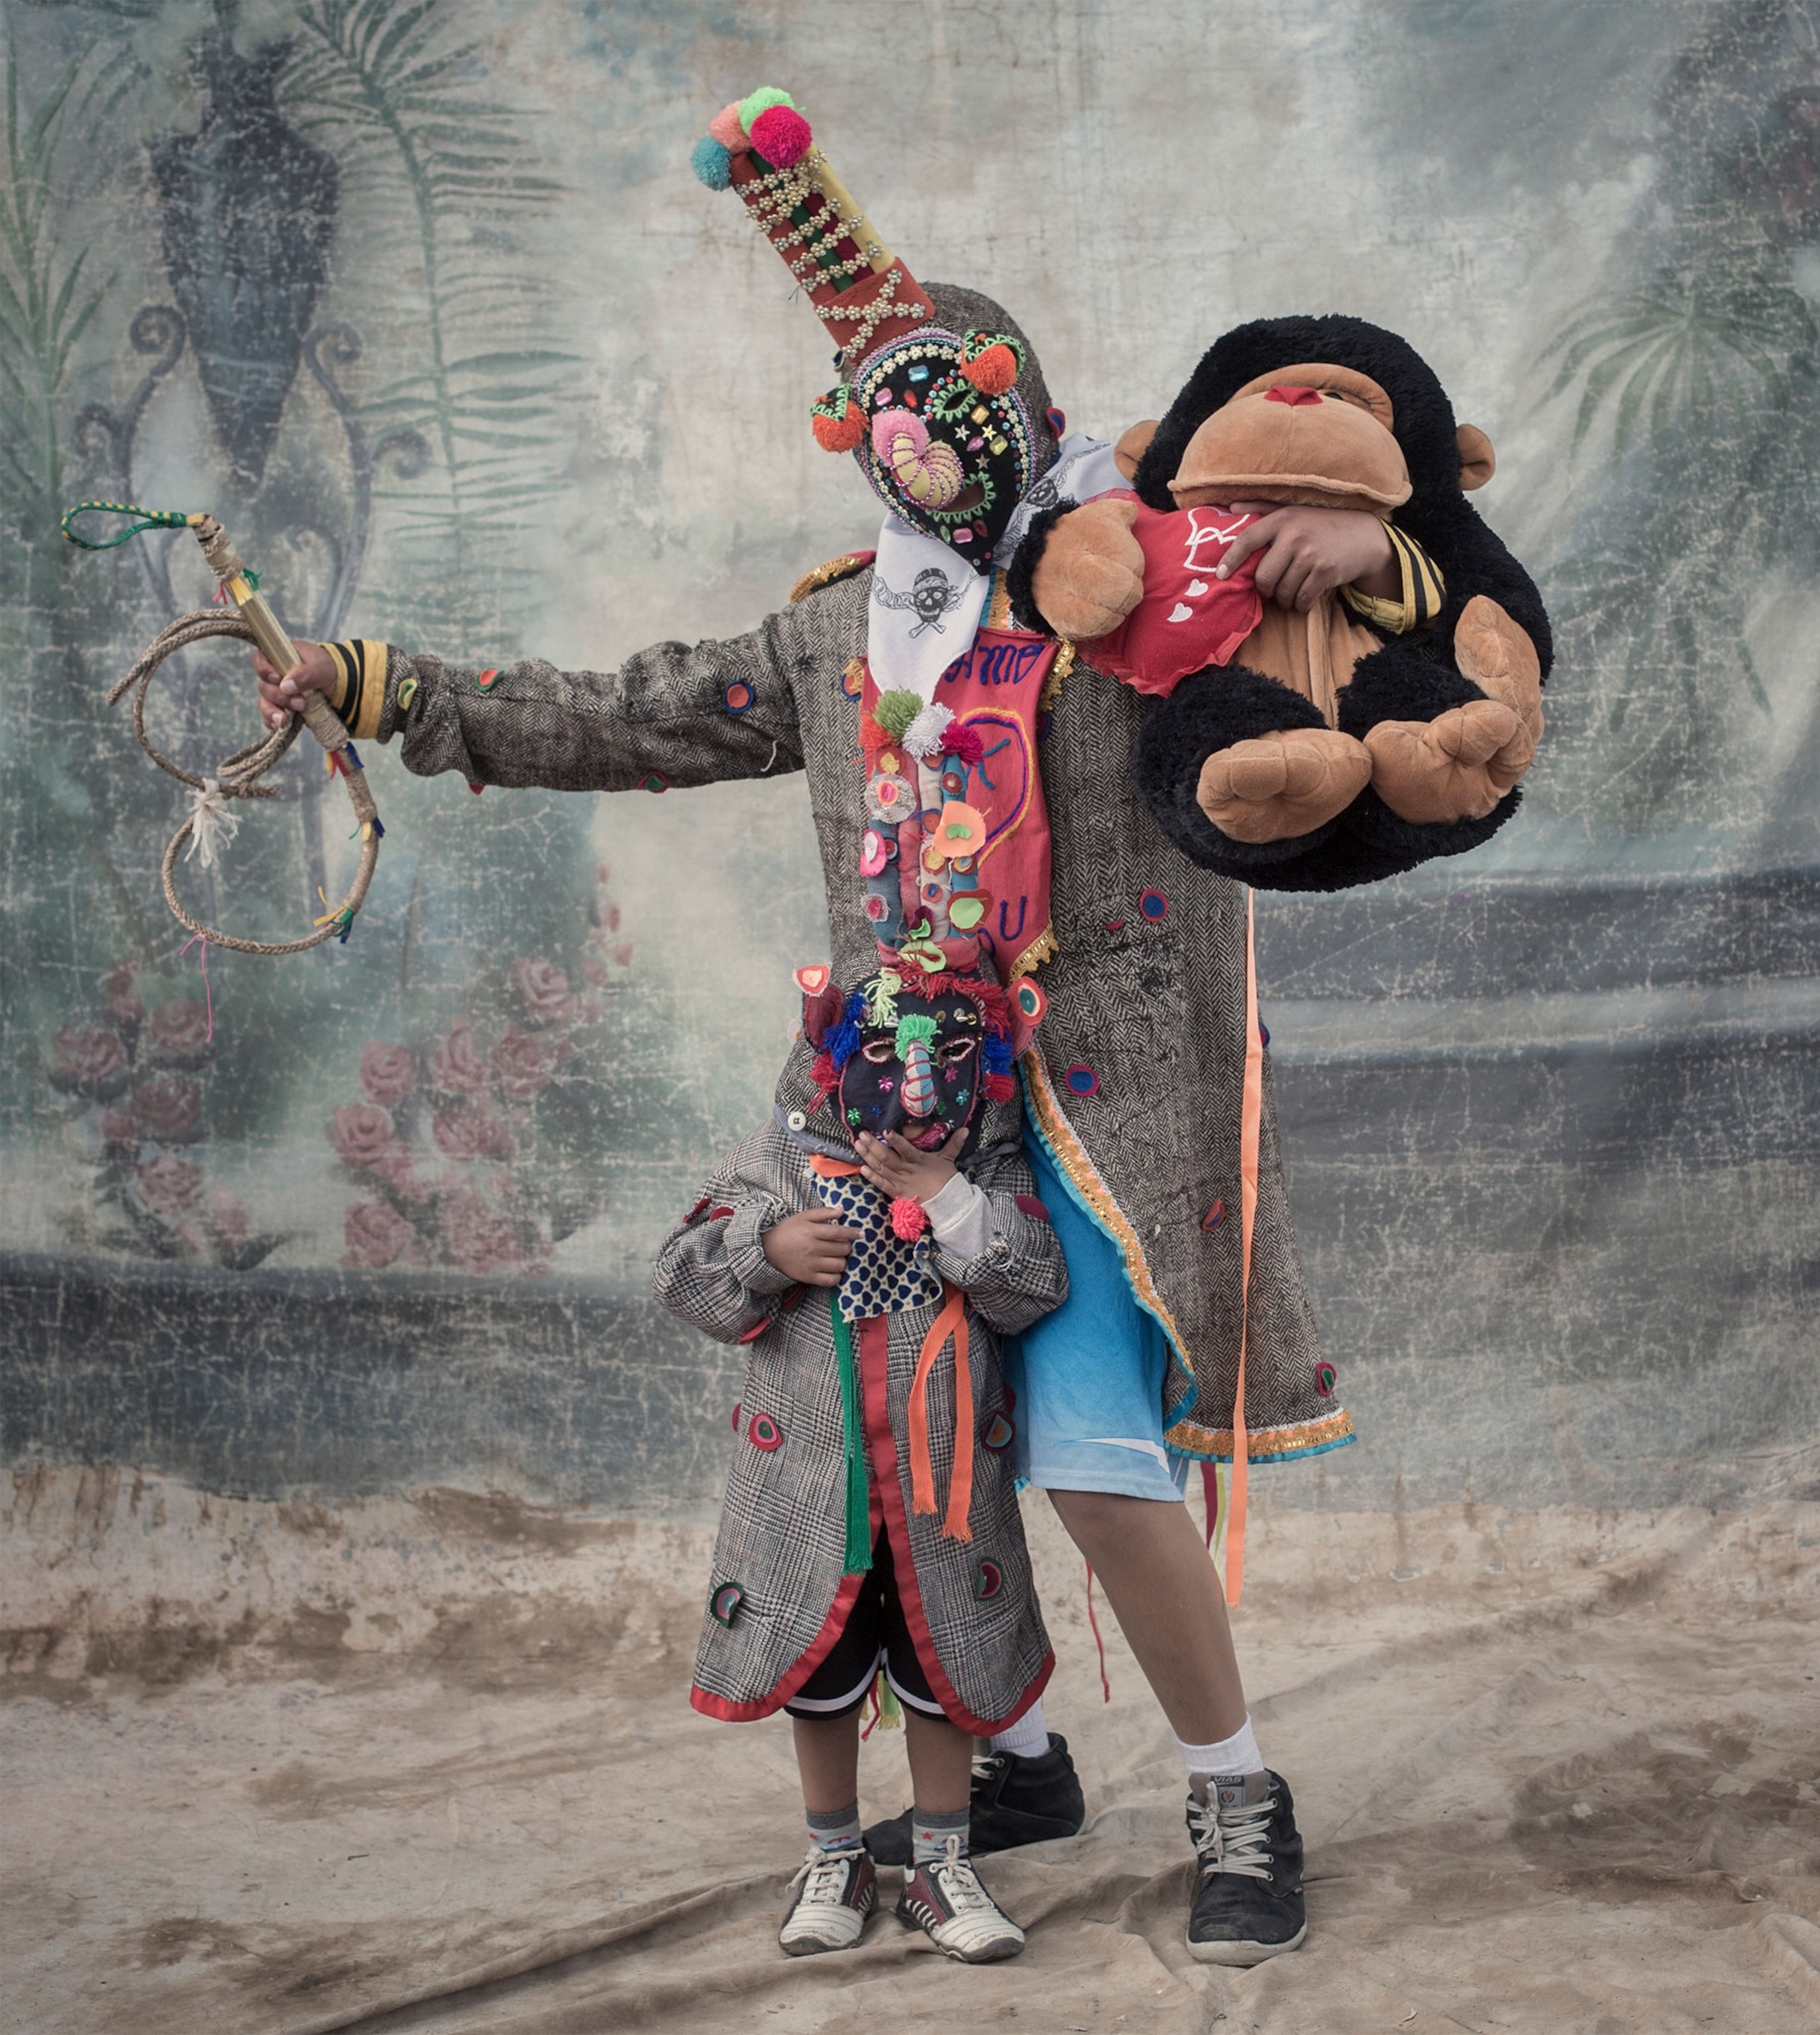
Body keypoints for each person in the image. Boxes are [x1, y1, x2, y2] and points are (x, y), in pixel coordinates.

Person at [253, 90, 1540, 1965]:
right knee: (915, 1448)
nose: (931, 444)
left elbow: (1419, 648)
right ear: (866, 446)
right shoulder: (838, 634)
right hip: (902, 1116)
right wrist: (373, 687)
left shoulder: (1147, 592)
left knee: (1089, 1458)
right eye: (898, 421)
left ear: (1020, 412)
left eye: (962, 411)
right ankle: (1010, 1746)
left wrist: (1378, 558)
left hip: (1098, 1109)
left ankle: (1238, 1789)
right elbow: (617, 715)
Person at [654, 962, 1065, 1963]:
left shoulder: (991, 1163)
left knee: (942, 1662)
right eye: (884, 1056)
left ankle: (940, 1860)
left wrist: (951, 1199)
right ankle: (833, 1853)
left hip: (940, 1493)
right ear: (836, 1058)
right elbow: (682, 1275)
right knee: (822, 1671)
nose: (916, 1089)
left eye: (950, 1059)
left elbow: (1035, 1285)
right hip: (809, 1492)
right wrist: (768, 1248)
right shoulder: (780, 1158)